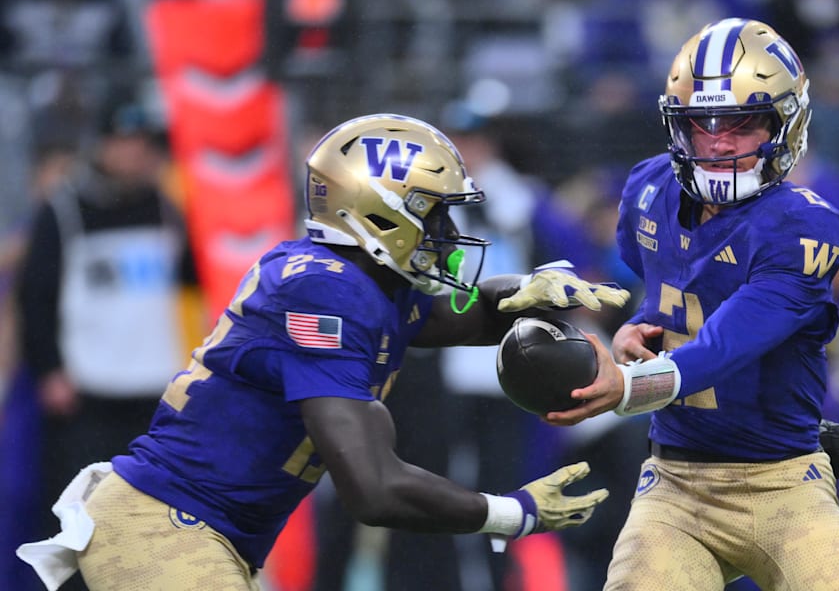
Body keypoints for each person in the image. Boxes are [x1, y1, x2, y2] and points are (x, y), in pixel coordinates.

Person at [17, 114, 623, 591]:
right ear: (380, 215)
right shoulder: (326, 290)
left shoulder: (361, 283)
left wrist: (532, 291)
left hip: (202, 530)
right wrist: (509, 512)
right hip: (168, 527)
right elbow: (374, 488)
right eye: (433, 216)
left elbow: (456, 318)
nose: (446, 236)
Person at [545, 18, 839, 590]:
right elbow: (674, 295)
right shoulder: (648, 190)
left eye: (744, 122)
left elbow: (731, 340)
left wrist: (629, 387)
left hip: (784, 485)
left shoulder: (803, 223)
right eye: (703, 124)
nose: (721, 141)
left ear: (787, 123)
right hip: (677, 488)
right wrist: (642, 323)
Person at [14, 94, 199, 591]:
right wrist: (49, 370)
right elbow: (36, 296)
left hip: (153, 398)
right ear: (102, 147)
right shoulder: (66, 209)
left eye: (144, 145)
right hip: (85, 398)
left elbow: (200, 281)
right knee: (77, 530)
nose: (136, 154)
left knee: (149, 527)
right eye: (125, 143)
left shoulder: (166, 209)